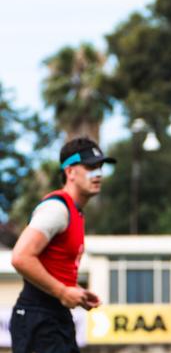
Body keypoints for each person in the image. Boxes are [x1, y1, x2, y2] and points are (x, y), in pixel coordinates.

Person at [10, 137, 116, 353]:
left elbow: (53, 265)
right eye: (90, 167)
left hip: (56, 317)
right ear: (70, 172)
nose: (98, 174)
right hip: (38, 318)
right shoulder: (56, 209)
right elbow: (20, 257)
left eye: (100, 167)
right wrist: (61, 291)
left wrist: (75, 292)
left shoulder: (75, 212)